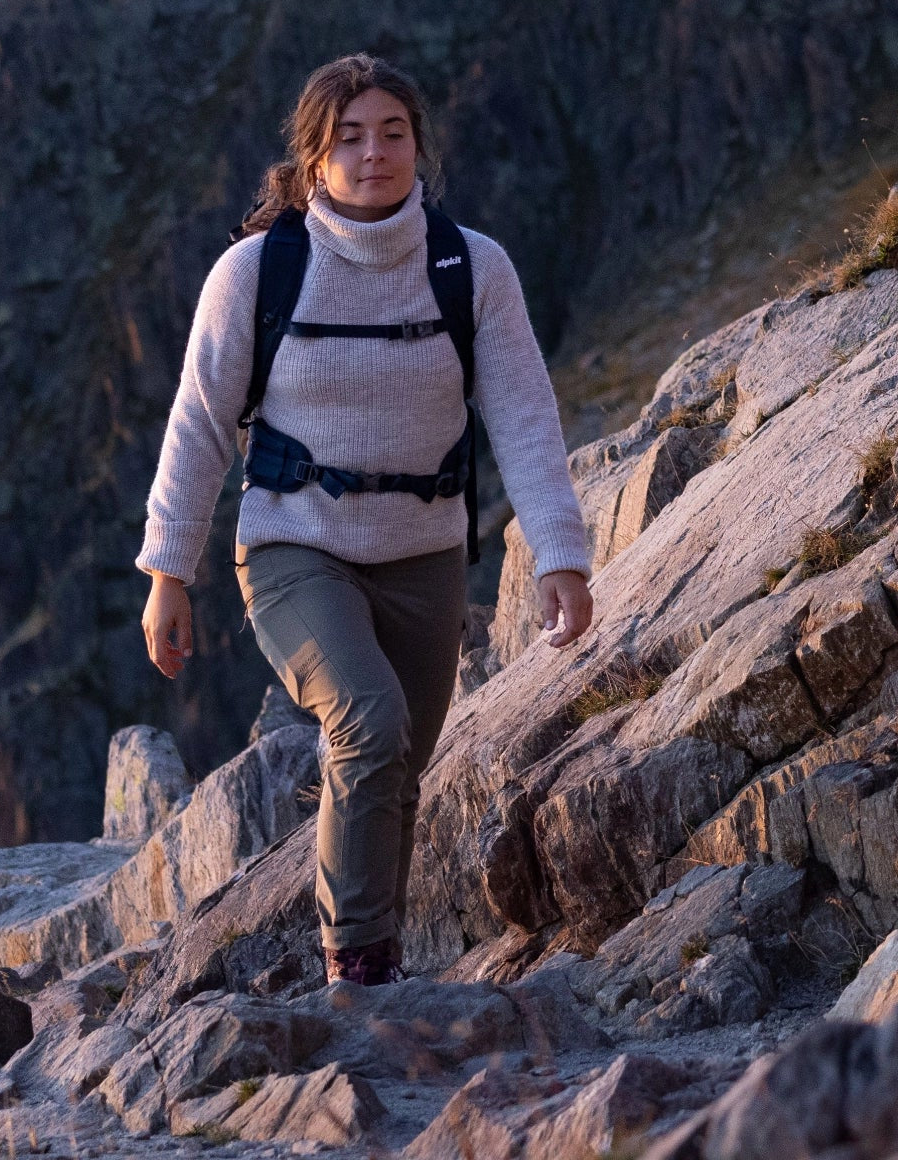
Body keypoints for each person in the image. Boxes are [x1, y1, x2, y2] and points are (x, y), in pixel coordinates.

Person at [136, 52, 592, 986]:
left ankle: (375, 965)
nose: (373, 153)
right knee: (371, 721)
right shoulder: (258, 272)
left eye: (393, 133)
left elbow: (524, 414)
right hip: (292, 548)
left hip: (424, 557)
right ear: (314, 160)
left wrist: (561, 553)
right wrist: (167, 573)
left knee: (399, 769)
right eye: (349, 138)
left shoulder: (472, 267)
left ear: (419, 146)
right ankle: (360, 974)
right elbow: (199, 423)